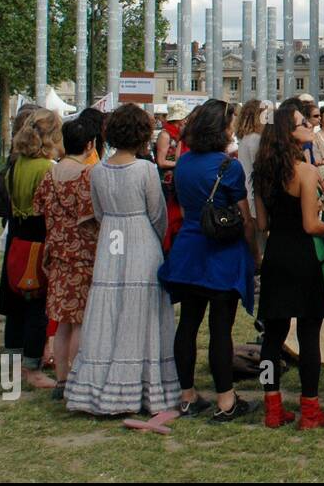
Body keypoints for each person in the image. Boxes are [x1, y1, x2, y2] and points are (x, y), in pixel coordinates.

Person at [66, 104, 180, 416]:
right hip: (140, 238)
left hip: (111, 240)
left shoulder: (99, 170)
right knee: (140, 309)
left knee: (109, 307)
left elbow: (100, 213)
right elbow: (157, 214)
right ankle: (141, 383)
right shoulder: (144, 170)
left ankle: (101, 380)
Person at [159, 99, 256, 422]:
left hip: (188, 250)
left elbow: (186, 210)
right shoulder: (229, 166)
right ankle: (226, 399)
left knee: (187, 324)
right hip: (221, 254)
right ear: (221, 129)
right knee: (220, 329)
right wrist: (254, 251)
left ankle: (187, 395)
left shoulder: (184, 163)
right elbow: (244, 216)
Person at [252, 103, 324, 429]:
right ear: (289, 134)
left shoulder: (261, 172)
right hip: (304, 257)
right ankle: (310, 409)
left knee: (271, 339)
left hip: (276, 254)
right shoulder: (305, 171)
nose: (310, 126)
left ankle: (272, 406)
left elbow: (262, 223)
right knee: (309, 336)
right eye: (303, 123)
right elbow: (310, 225)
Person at [33, 117, 100, 400]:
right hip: (84, 254)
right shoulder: (86, 176)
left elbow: (38, 209)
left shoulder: (50, 175)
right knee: (81, 321)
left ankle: (61, 379)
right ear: (89, 145)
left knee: (61, 322)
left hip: (57, 253)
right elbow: (94, 215)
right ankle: (76, 377)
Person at [0, 108, 61, 390]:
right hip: (39, 237)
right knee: (38, 306)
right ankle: (32, 367)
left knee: (15, 303)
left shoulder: (17, 164)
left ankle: (12, 359)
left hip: (18, 237)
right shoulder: (47, 168)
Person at [155, 101, 189, 254]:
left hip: (176, 177)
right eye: (184, 118)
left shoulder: (179, 134)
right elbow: (161, 161)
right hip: (167, 180)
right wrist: (180, 163)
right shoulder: (165, 134)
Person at [234, 100, 267, 217]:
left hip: (247, 193)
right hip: (253, 196)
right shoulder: (255, 139)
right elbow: (260, 169)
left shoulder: (246, 138)